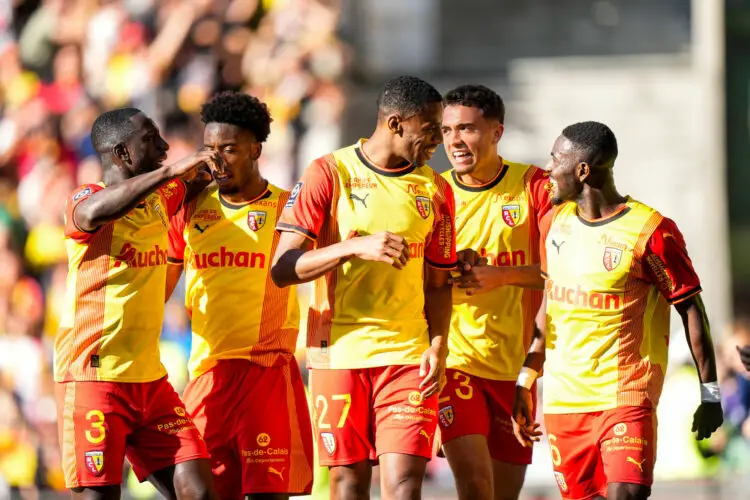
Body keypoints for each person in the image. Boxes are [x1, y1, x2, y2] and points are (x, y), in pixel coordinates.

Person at [512, 121, 724, 500]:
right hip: (565, 403)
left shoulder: (651, 231)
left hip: (625, 397)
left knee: (625, 495)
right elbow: (550, 302)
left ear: (582, 169)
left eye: (555, 158)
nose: (548, 169)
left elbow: (692, 309)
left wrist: (709, 393)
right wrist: (527, 377)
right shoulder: (553, 223)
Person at [270, 75, 456, 500]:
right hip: (339, 351)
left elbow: (439, 281)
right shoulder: (329, 172)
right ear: (395, 124)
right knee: (347, 482)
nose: (437, 144)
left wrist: (439, 345)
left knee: (405, 484)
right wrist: (353, 247)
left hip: (408, 354)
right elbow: (282, 269)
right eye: (429, 131)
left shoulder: (436, 188)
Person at [55, 108, 218, 500]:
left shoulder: (164, 198)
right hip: (94, 378)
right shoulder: (86, 199)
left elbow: (201, 177)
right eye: (151, 139)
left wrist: (220, 157)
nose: (163, 147)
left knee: (200, 490)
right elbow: (95, 212)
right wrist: (173, 170)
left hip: (149, 381)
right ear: (123, 154)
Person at [166, 91, 314, 499]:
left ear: (256, 150)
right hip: (207, 375)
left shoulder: (290, 210)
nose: (217, 159)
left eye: (229, 149)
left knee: (268, 494)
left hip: (265, 374)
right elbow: (162, 286)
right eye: (210, 149)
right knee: (202, 492)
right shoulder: (191, 208)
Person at [437, 84, 551, 500]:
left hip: (514, 369)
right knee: (475, 488)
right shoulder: (433, 193)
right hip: (455, 362)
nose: (454, 140)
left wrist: (501, 276)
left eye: (466, 129)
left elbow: (565, 271)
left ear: (496, 132)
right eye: (447, 130)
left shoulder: (535, 186)